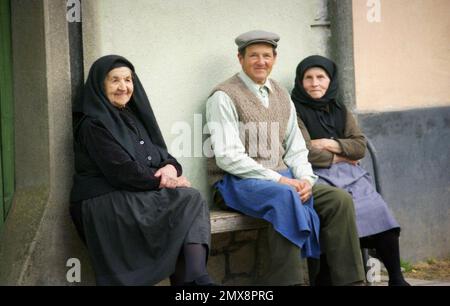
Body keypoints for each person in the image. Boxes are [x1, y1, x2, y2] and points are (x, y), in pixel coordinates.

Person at [206, 30, 365, 286]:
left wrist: (304, 179)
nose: (261, 61)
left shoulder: (281, 94)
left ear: (274, 59)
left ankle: (351, 282)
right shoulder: (223, 96)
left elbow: (296, 147)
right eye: (254, 56)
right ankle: (292, 282)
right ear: (240, 58)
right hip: (233, 183)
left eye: (266, 56)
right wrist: (281, 180)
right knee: (285, 197)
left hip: (285, 179)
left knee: (339, 200)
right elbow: (228, 157)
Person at [69, 55, 213, 286]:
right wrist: (167, 182)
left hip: (134, 192)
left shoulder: (133, 117)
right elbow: (122, 172)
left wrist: (169, 168)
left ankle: (193, 280)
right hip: (104, 201)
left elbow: (165, 157)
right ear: (100, 84)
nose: (123, 87)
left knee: (186, 204)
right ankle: (195, 280)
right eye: (115, 80)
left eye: (128, 80)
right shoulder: (93, 124)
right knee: (188, 200)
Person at [291, 55, 410, 286]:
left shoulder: (340, 108)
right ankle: (330, 277)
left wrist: (327, 142)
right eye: (308, 78)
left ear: (331, 80)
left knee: (378, 209)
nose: (315, 83)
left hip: (351, 174)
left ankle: (397, 277)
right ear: (300, 81)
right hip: (315, 174)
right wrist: (342, 155)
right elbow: (304, 151)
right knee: (340, 211)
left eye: (321, 77)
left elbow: (360, 146)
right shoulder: (294, 111)